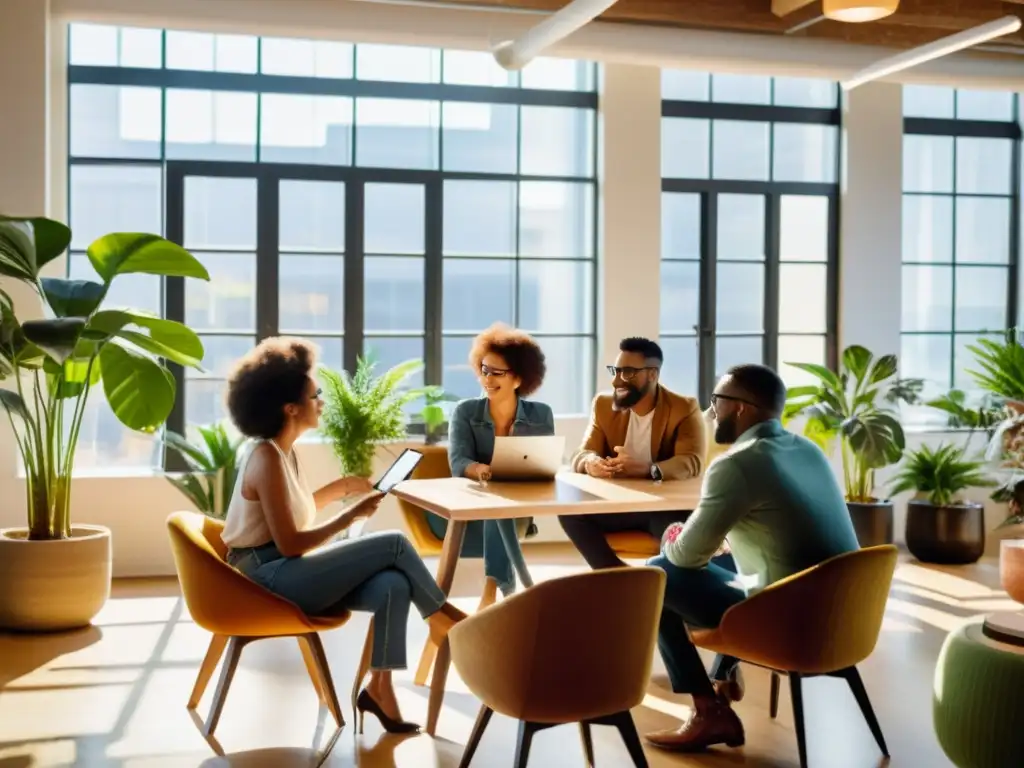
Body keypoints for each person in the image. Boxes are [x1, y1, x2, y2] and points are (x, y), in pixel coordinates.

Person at [220, 337, 466, 734]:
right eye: (315, 394)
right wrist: (350, 514)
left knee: (391, 585)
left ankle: (380, 690)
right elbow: (290, 542)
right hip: (263, 578)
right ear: (290, 408)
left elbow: (290, 514)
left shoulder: (283, 451)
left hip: (281, 567)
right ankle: (441, 619)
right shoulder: (265, 456)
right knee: (395, 544)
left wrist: (342, 488)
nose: (321, 401)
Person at [643, 363, 860, 752]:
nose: (711, 413)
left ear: (741, 408)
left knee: (657, 574)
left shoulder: (737, 464)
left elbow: (686, 557)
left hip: (790, 626)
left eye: (716, 402)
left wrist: (672, 538)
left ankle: (709, 712)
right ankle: (725, 672)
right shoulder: (806, 450)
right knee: (725, 563)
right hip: (846, 616)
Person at [560, 337, 706, 569]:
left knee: (678, 553)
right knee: (569, 511)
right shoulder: (603, 405)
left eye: (627, 372)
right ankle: (614, 575)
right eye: (616, 371)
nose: (617, 380)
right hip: (618, 506)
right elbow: (582, 452)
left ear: (652, 374)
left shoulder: (683, 408)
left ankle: (669, 589)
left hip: (663, 507)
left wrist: (649, 469)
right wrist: (591, 463)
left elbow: (691, 461)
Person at [439, 323, 554, 601]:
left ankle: (496, 592)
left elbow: (546, 464)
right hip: (470, 509)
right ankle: (506, 591)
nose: (487, 379)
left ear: (519, 378)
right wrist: (480, 470)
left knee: (501, 509)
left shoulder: (541, 414)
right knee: (495, 507)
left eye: (496, 373)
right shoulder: (465, 411)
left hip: (518, 509)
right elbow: (458, 462)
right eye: (484, 370)